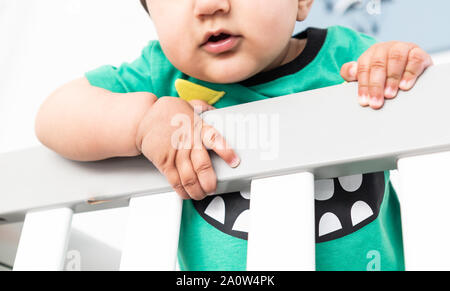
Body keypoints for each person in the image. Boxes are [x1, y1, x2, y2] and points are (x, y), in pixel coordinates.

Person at [35, 0, 433, 270]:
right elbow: (54, 115)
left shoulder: (347, 58)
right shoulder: (161, 77)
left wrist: (393, 67)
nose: (210, 5)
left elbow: (416, 95)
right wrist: (141, 122)